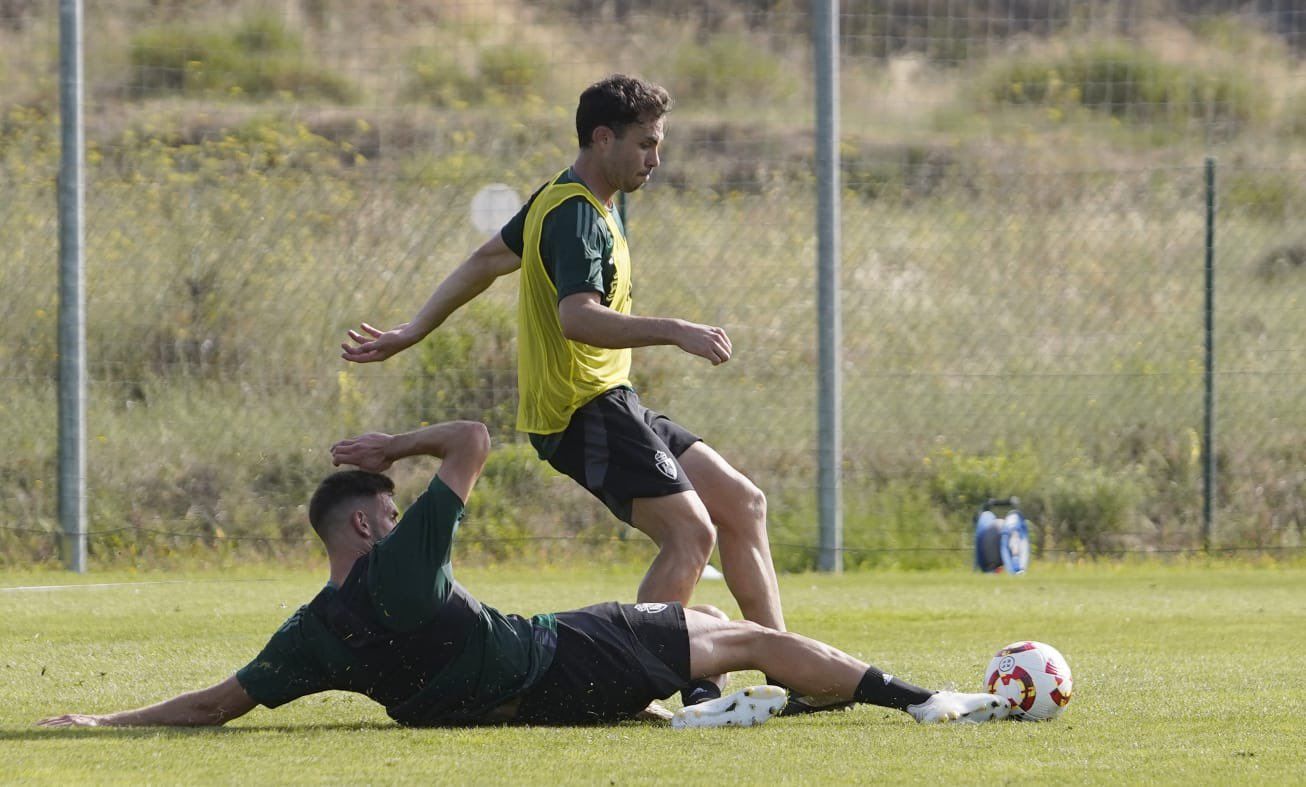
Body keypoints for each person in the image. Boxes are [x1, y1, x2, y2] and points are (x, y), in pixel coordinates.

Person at [38, 421, 1008, 731]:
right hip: (561, 662)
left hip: (518, 687)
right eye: (388, 502)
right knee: (752, 635)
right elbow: (473, 438)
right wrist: (397, 441)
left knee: (697, 613)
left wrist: (102, 723)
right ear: (374, 520)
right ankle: (925, 701)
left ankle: (713, 703)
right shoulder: (403, 559)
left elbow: (215, 705)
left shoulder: (312, 633)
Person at [340, 73, 789, 710]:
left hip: (610, 397)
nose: (655, 159)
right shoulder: (575, 213)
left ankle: (787, 664)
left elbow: (485, 260)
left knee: (742, 504)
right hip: (580, 409)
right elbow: (577, 318)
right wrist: (675, 330)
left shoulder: (565, 200)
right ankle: (650, 681)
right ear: (602, 138)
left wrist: (413, 329)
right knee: (690, 533)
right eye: (645, 144)